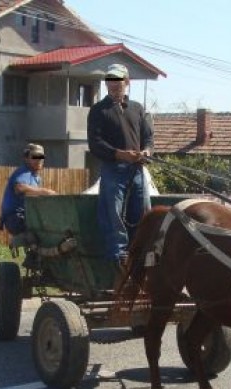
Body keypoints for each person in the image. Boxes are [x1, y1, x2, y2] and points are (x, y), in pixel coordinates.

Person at [87, 63, 154, 266]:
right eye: (110, 81)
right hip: (113, 169)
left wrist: (146, 152)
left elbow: (148, 138)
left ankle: (140, 250)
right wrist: (119, 154)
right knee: (113, 211)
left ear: (127, 82)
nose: (114, 85)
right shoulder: (99, 110)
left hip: (137, 169)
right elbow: (95, 144)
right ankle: (119, 254)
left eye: (118, 81)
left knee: (142, 210)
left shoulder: (137, 108)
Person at [0, 143, 56, 237]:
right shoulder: (24, 171)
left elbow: (34, 196)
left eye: (41, 157)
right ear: (26, 159)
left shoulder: (36, 178)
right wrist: (46, 192)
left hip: (24, 216)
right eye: (35, 157)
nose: (39, 160)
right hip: (15, 218)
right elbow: (19, 188)